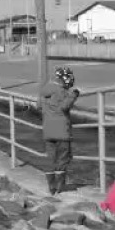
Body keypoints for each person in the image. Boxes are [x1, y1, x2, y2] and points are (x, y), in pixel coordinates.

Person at [40, 66, 79, 195]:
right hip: (62, 131)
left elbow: (38, 105)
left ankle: (51, 187)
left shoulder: (45, 91)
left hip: (48, 131)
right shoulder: (62, 91)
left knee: (50, 159)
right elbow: (64, 106)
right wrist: (74, 95)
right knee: (63, 159)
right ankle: (60, 187)